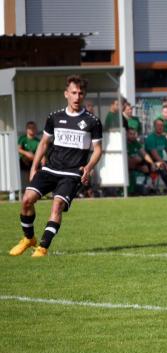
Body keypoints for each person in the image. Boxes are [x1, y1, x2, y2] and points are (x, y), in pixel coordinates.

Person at [9, 75, 103, 257]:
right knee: (27, 200)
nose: (77, 97)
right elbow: (44, 143)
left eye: (80, 93)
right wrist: (34, 167)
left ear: (84, 95)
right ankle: (28, 239)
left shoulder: (92, 121)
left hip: (72, 173)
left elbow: (98, 149)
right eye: (73, 93)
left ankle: (42, 247)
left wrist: (88, 167)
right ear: (66, 94)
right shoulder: (54, 117)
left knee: (57, 204)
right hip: (51, 168)